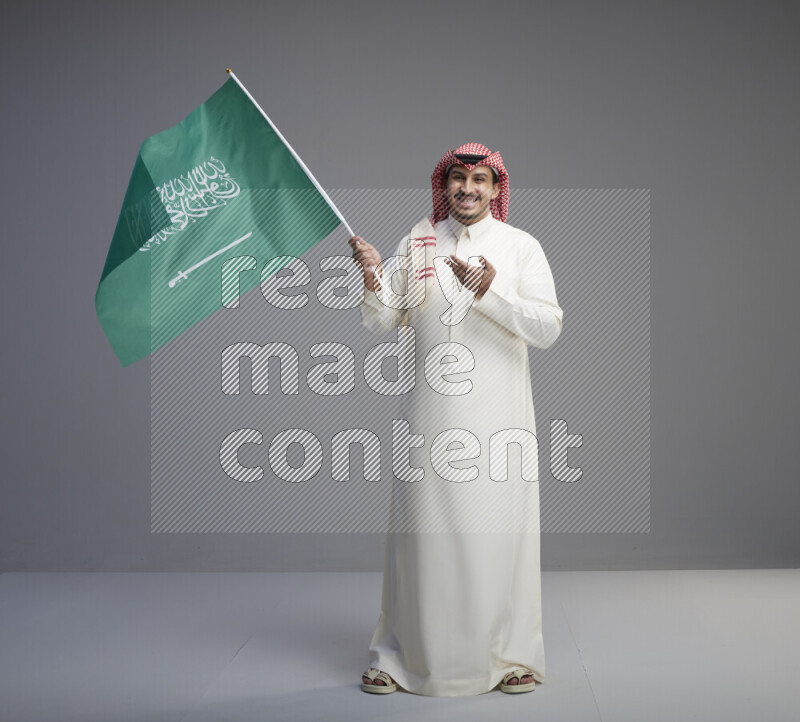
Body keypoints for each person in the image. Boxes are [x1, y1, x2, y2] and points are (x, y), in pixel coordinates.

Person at [349, 142, 563, 696]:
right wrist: (374, 277)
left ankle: (510, 657)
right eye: (458, 179)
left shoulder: (519, 248)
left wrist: (489, 292)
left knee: (493, 537)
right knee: (423, 540)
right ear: (444, 185)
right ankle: (398, 658)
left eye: (480, 180)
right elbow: (384, 322)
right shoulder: (417, 240)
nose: (467, 189)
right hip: (428, 418)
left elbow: (547, 329)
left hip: (497, 420)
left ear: (496, 189)